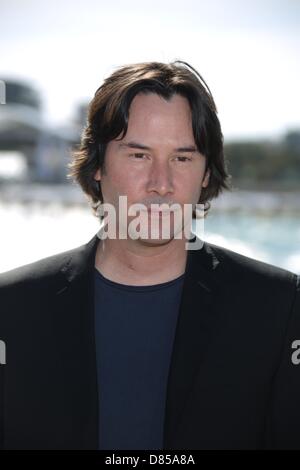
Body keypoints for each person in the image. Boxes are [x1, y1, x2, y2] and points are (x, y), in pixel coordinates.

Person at [0, 60, 299, 450]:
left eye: (182, 158)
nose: (161, 184)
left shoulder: (279, 306)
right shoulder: (12, 307)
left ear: (206, 173)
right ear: (97, 167)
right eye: (139, 156)